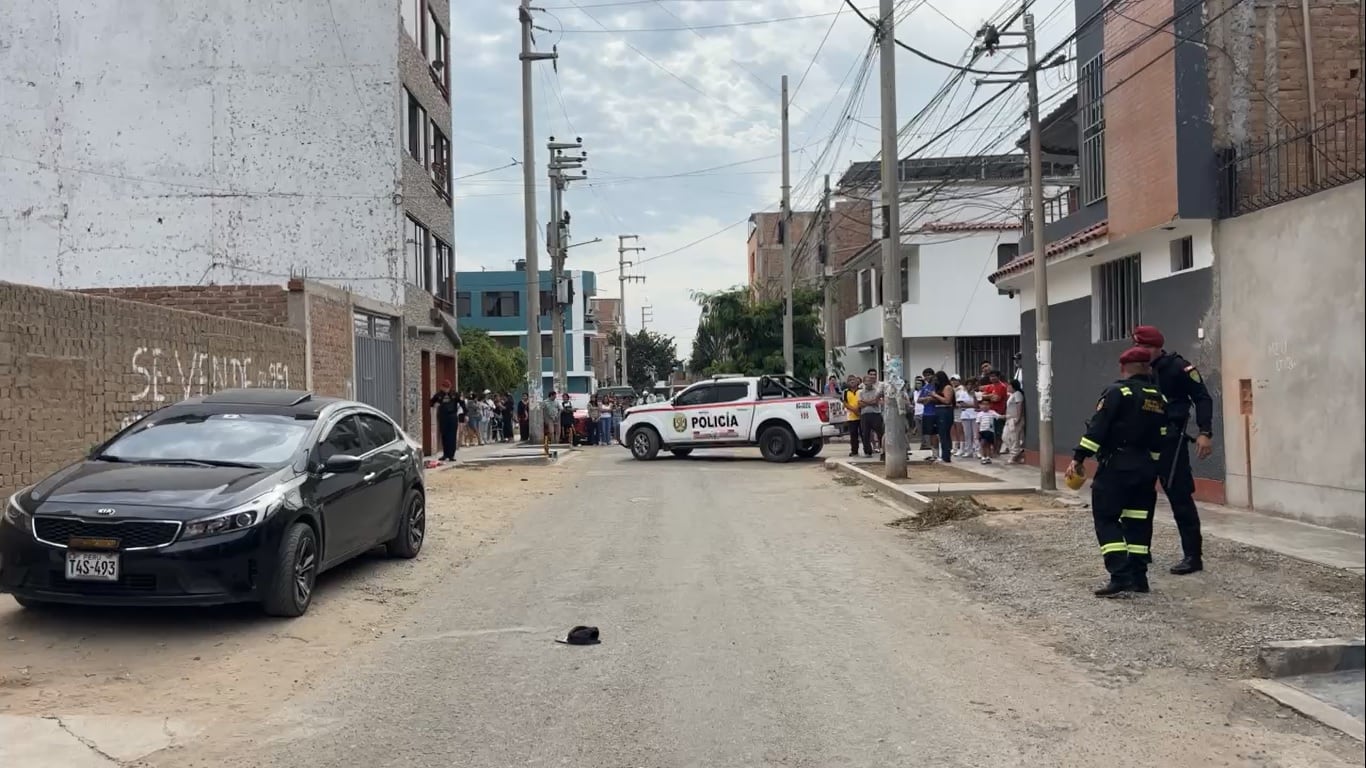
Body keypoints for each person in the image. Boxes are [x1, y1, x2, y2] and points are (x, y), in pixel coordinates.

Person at [1066, 346, 1169, 597]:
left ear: (1123, 367)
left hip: (1117, 467)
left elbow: (1098, 429)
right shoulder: (1159, 398)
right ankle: (1139, 578)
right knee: (1138, 523)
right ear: (1147, 367)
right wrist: (1153, 466)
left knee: (1106, 518)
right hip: (1145, 468)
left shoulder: (1117, 392)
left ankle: (1120, 575)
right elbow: (1161, 437)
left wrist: (1079, 457)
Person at [1132, 325, 1215, 575]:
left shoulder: (1179, 367)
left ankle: (1192, 556)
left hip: (1171, 441)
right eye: (1138, 347)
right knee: (1140, 497)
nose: (1142, 352)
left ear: (1158, 347)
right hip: (1145, 440)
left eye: (1146, 347)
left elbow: (1202, 397)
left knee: (1179, 497)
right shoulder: (1138, 368)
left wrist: (1204, 432)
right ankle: (1140, 551)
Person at [429, 379, 461, 461]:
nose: (446, 389)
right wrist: (435, 404)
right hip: (443, 417)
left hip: (452, 416)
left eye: (448, 387)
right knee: (444, 435)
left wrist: (464, 415)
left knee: (452, 436)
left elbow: (462, 403)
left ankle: (451, 455)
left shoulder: (454, 394)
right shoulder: (439, 395)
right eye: (445, 387)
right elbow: (431, 402)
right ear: (442, 387)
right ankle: (445, 454)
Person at [857, 369, 885, 459]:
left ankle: (882, 449)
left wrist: (866, 402)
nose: (868, 383)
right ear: (864, 382)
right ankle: (868, 451)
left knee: (880, 433)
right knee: (866, 434)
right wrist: (870, 402)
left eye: (870, 381)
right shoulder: (860, 392)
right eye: (866, 381)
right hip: (865, 414)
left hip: (875, 414)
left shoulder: (876, 391)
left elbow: (876, 402)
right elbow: (860, 404)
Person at [930, 371, 956, 462]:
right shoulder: (938, 388)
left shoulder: (947, 387)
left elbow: (947, 400)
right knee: (941, 433)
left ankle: (946, 455)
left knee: (945, 433)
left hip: (945, 410)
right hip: (938, 410)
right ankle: (944, 454)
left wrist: (935, 395)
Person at [1003, 379, 1026, 462]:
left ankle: (1014, 455)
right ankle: (1017, 453)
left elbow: (1019, 406)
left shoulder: (1018, 394)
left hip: (1015, 419)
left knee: (1014, 438)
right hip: (1009, 419)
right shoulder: (1012, 395)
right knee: (1005, 437)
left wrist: (1018, 418)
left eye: (1009, 385)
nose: (1008, 387)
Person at [916, 368, 937, 454]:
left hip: (935, 413)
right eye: (925, 376)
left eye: (929, 375)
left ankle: (938, 452)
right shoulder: (925, 387)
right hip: (926, 413)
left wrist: (931, 398)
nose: (927, 377)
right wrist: (926, 398)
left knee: (936, 434)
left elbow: (937, 398)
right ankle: (934, 452)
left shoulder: (936, 386)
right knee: (929, 434)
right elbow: (919, 400)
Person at [842, 374, 862, 457]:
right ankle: (854, 451)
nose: (852, 381)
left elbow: (863, 401)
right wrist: (854, 410)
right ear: (848, 382)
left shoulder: (861, 391)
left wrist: (858, 409)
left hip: (861, 415)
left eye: (853, 379)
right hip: (851, 417)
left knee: (864, 434)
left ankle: (868, 450)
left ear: (857, 381)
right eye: (850, 380)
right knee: (853, 435)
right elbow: (845, 403)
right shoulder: (845, 392)